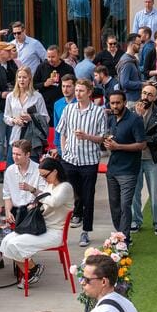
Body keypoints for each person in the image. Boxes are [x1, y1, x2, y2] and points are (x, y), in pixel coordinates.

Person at [0, 156, 76, 281]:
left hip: (55, 232)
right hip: (41, 227)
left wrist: (37, 195)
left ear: (55, 172)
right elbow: (45, 197)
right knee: (6, 242)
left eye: (45, 176)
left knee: (14, 244)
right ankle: (32, 271)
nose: (44, 179)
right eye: (41, 176)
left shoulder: (66, 187)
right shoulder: (50, 185)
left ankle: (31, 272)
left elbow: (54, 201)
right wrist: (35, 201)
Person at [57, 79, 107, 248]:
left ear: (89, 92)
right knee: (71, 193)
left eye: (81, 91)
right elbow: (62, 132)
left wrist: (87, 137)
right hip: (70, 159)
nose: (77, 94)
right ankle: (75, 216)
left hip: (89, 161)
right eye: (76, 90)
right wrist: (64, 151)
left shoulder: (98, 112)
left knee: (88, 196)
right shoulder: (68, 109)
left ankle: (85, 231)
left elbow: (102, 138)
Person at [103, 90, 146, 243]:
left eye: (118, 103)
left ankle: (124, 241)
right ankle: (120, 235)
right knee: (114, 206)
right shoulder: (112, 119)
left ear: (125, 103)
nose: (115, 106)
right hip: (112, 169)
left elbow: (142, 144)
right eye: (112, 103)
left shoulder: (135, 120)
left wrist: (118, 146)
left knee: (125, 205)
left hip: (128, 170)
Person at [131, 83, 157, 235]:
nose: (146, 97)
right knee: (134, 193)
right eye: (144, 93)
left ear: (155, 97)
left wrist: (143, 141)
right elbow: (128, 132)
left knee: (155, 193)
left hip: (152, 158)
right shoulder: (131, 111)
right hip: (134, 158)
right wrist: (138, 117)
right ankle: (135, 221)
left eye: (150, 94)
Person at [4, 67, 49, 155]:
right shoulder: (10, 96)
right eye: (19, 77)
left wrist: (31, 118)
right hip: (15, 137)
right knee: (12, 162)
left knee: (31, 162)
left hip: (32, 139)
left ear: (29, 79)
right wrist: (14, 120)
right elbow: (6, 117)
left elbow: (46, 118)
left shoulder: (37, 96)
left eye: (24, 77)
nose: (21, 80)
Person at [35, 45, 75, 115]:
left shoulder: (67, 68)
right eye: (48, 57)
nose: (50, 59)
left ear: (59, 55)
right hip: (46, 105)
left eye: (53, 57)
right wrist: (44, 84)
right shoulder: (41, 67)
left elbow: (74, 84)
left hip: (63, 103)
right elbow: (33, 85)